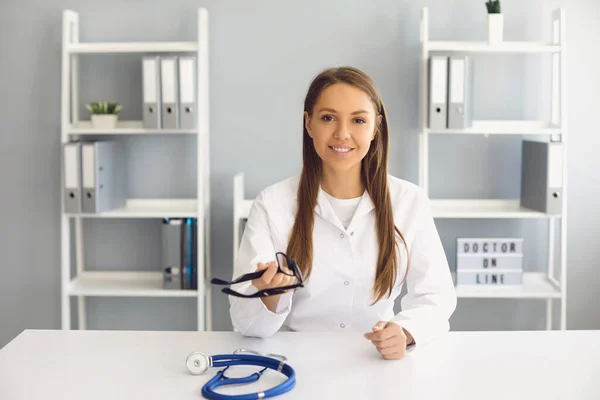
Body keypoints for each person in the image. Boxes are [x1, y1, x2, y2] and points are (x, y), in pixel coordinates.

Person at [229, 66, 457, 360]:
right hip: (299, 364)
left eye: (359, 120)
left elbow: (436, 297)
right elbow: (247, 325)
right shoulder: (272, 204)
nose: (342, 134)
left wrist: (405, 332)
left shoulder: (409, 201)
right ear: (308, 124)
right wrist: (270, 295)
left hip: (378, 363)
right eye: (328, 118)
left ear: (376, 127)